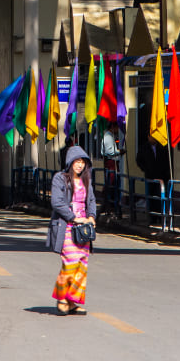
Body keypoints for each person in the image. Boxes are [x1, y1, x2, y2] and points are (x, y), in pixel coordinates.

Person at [48, 146, 97, 315]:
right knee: (70, 262)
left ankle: (72, 301)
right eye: (77, 161)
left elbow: (91, 200)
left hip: (83, 229)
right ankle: (62, 298)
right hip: (67, 226)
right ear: (70, 162)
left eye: (82, 162)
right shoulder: (60, 178)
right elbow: (57, 202)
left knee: (81, 263)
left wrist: (91, 217)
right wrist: (74, 217)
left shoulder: (86, 180)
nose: (80, 165)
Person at [101, 121, 121, 215]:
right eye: (117, 128)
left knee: (112, 184)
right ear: (113, 127)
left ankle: (109, 205)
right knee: (111, 184)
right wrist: (120, 151)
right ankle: (109, 205)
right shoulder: (108, 137)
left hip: (112, 162)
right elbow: (110, 152)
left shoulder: (110, 136)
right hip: (111, 162)